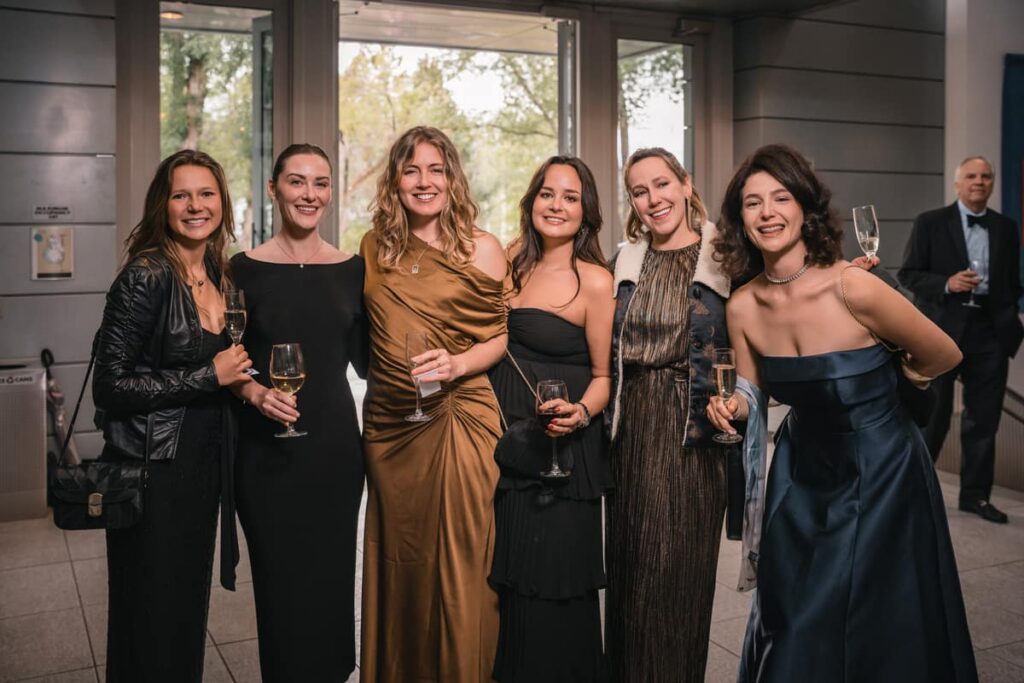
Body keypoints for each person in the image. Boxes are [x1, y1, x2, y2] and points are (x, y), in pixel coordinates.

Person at [709, 144, 977, 682]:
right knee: (796, 615)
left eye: (780, 197)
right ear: (739, 219)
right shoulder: (742, 305)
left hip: (883, 469)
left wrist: (880, 389)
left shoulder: (853, 285)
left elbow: (944, 354)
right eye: (752, 202)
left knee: (881, 619)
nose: (767, 212)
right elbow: (752, 389)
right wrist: (732, 405)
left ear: (805, 209)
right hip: (801, 475)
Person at [92, 149, 251, 682]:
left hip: (200, 470)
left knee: (183, 612)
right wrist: (210, 376)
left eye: (206, 194)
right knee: (150, 615)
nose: (194, 205)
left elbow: (227, 370)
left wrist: (248, 389)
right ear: (164, 205)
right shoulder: (146, 276)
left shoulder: (217, 274)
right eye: (181, 194)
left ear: (222, 204)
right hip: (152, 473)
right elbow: (111, 386)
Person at [359, 126, 508, 683]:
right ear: (396, 180)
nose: (424, 182)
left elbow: (498, 336)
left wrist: (457, 365)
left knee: (462, 566)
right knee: (401, 563)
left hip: (460, 418)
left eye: (436, 170)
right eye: (412, 170)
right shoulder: (375, 245)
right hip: (391, 428)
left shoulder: (482, 246)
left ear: (453, 178)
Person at [229, 143, 368, 681]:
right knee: (280, 584)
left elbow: (367, 362)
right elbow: (227, 358)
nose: (310, 194)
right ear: (274, 189)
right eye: (297, 181)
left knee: (333, 580)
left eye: (321, 183)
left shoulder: (353, 269)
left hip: (334, 450)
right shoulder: (242, 269)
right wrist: (255, 393)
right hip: (265, 455)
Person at [604, 147, 732, 683]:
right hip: (629, 429)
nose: (653, 199)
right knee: (630, 574)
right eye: (639, 190)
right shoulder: (624, 259)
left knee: (678, 578)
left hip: (691, 432)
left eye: (661, 184)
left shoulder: (724, 257)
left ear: (685, 183)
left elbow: (766, 318)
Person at [487, 156, 614, 682]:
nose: (556, 205)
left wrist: (580, 412)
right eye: (547, 193)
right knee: (515, 580)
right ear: (531, 200)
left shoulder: (596, 281)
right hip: (511, 445)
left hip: (565, 451)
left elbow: (605, 377)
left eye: (569, 196)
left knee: (557, 581)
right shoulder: (509, 260)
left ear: (586, 212)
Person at [898, 156, 1023, 524]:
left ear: (992, 183)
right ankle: (915, 494)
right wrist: (947, 284)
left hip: (990, 334)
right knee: (932, 419)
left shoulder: (1005, 227)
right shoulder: (930, 223)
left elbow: (1012, 280)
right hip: (942, 331)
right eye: (971, 176)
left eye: (986, 176)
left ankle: (975, 497)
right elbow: (908, 274)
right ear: (957, 184)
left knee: (983, 421)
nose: (979, 182)